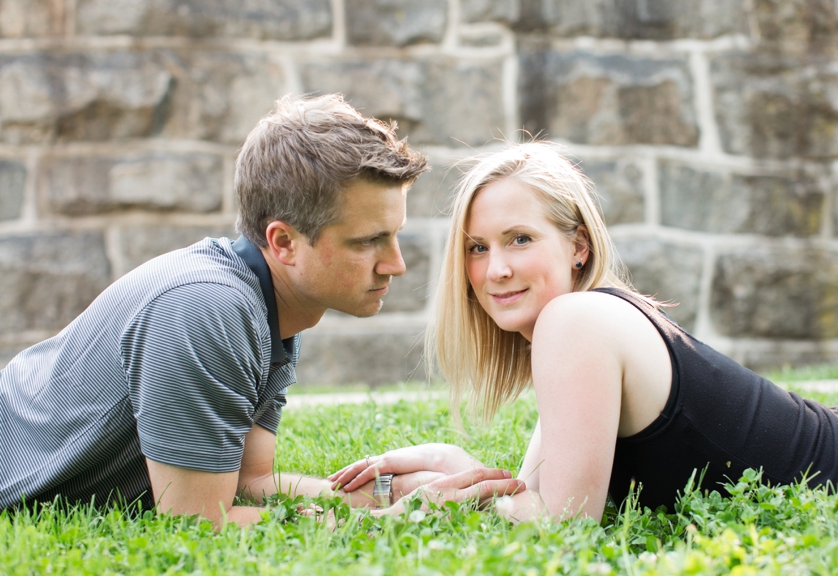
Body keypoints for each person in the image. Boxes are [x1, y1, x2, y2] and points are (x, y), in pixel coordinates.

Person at [330, 141, 838, 521]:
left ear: (578, 246)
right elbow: (544, 490)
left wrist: (446, 505)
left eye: (518, 239)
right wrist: (458, 468)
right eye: (476, 247)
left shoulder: (574, 320)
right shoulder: (577, 325)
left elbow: (561, 523)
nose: (494, 268)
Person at [0, 94, 521, 526]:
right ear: (284, 241)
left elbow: (249, 481)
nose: (396, 264)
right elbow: (199, 521)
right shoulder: (207, 309)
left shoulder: (267, 304)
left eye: (395, 236)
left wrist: (392, 490)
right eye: (368, 241)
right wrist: (396, 520)